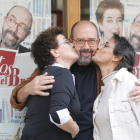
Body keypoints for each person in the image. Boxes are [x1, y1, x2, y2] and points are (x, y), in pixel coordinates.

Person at [10, 20, 140, 140]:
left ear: (98, 42)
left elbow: (126, 76)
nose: (86, 47)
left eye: (92, 41)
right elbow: (16, 101)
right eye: (80, 41)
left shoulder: (103, 70)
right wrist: (27, 89)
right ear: (71, 42)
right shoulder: (55, 67)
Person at [21, 27, 80, 139]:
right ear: (54, 52)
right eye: (66, 42)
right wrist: (75, 130)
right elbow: (59, 114)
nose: (73, 45)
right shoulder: (61, 73)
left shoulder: (47, 73)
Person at [92, 34, 140, 140]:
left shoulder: (128, 81)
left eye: (105, 45)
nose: (98, 47)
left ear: (117, 57)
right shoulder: (101, 95)